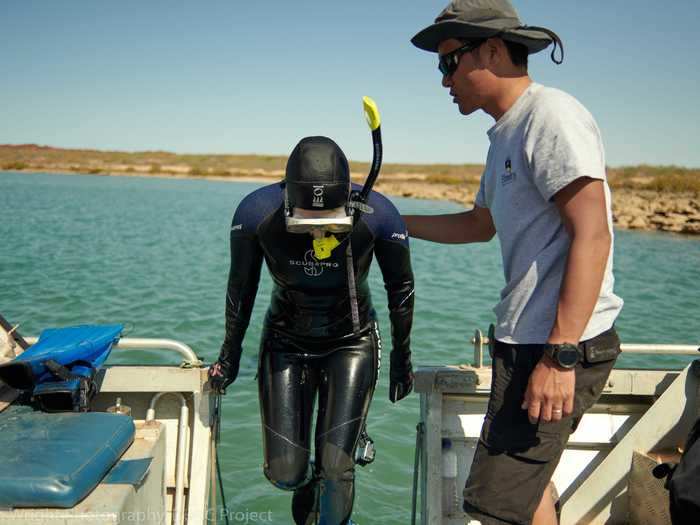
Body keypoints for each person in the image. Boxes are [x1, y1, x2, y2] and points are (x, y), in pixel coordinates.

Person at [406, 1, 623, 524]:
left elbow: (592, 234)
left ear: (493, 50)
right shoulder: (505, 132)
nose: (443, 81)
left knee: (497, 507)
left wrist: (560, 357)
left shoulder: (550, 116)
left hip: (556, 346)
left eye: (448, 63)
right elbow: (479, 226)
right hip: (525, 341)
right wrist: (389, 221)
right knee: (524, 491)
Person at [209, 136, 415, 525]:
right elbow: (241, 289)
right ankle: (314, 488)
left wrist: (402, 361)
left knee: (336, 467)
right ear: (288, 199)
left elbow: (400, 289)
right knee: (285, 472)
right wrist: (229, 355)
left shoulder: (379, 215)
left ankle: (336, 478)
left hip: (351, 343)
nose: (318, 231)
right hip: (285, 340)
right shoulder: (256, 214)